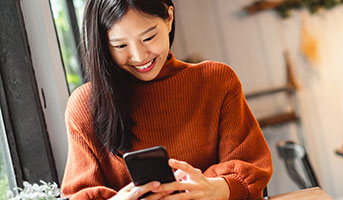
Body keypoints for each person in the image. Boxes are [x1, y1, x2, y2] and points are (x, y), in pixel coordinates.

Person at [61, 0, 273, 199]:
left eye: (148, 38)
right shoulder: (84, 106)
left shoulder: (217, 82)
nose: (139, 56)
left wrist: (216, 189)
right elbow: (77, 193)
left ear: (169, 18)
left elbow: (250, 166)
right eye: (120, 46)